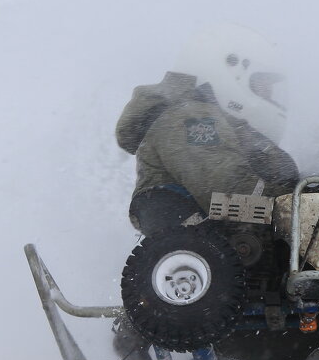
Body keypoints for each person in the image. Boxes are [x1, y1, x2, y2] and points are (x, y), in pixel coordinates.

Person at [116, 23, 299, 235]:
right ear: (232, 70)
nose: (268, 95)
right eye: (261, 87)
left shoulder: (225, 127)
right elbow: (227, 191)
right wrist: (300, 212)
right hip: (206, 253)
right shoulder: (189, 117)